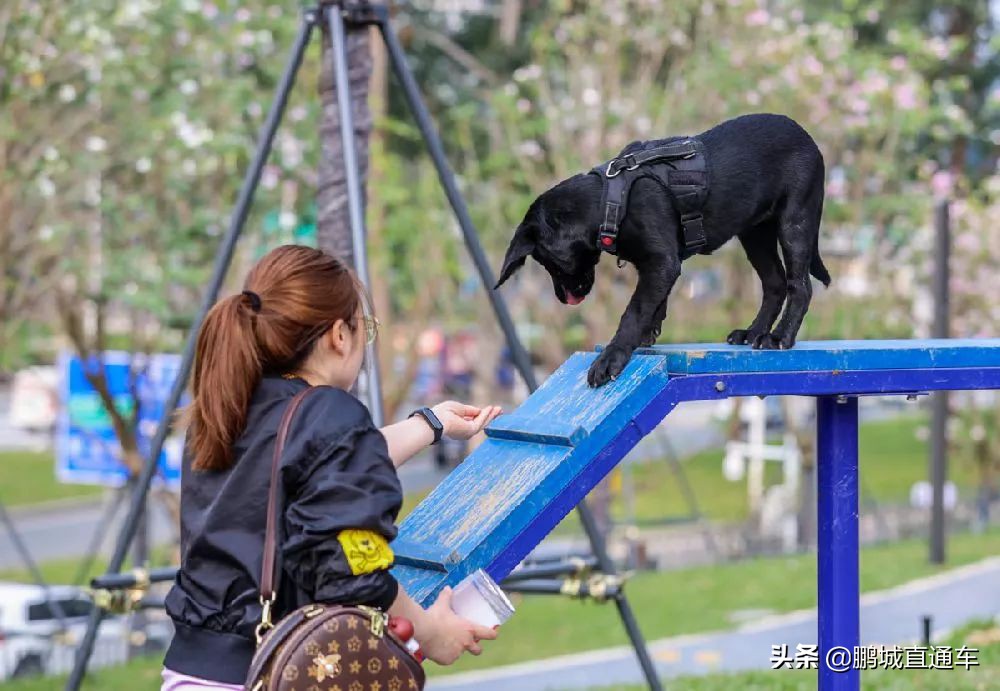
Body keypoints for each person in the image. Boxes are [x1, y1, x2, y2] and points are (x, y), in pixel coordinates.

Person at [161, 245, 501, 690]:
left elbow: (310, 470)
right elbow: (350, 569)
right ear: (339, 335)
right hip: (274, 672)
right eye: (367, 328)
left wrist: (431, 424)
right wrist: (433, 632)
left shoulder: (228, 409)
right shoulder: (329, 415)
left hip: (191, 672)